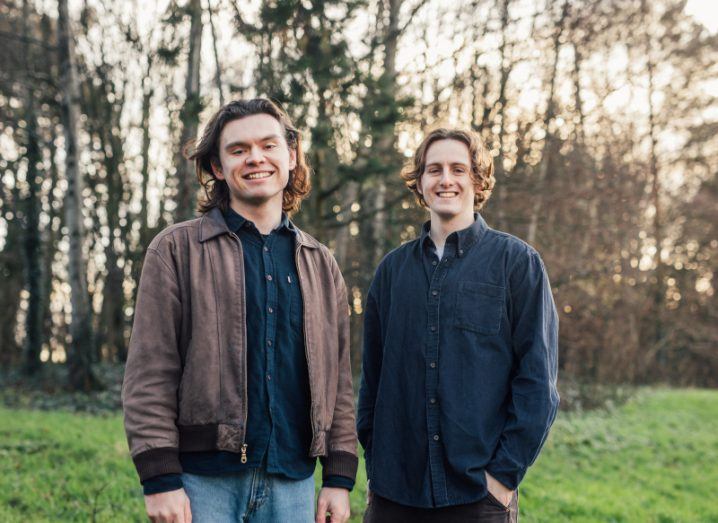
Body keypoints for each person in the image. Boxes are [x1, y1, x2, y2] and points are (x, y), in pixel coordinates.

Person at [122, 98, 357, 523]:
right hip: (200, 486)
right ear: (217, 167)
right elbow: (150, 373)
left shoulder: (320, 263)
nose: (255, 158)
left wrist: (339, 478)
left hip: (294, 483)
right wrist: (160, 480)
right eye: (238, 149)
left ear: (291, 155)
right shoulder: (175, 250)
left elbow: (337, 383)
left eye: (268, 145)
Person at [357, 128, 559, 522]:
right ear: (420, 183)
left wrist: (501, 477)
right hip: (394, 495)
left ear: (477, 180)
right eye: (434, 170)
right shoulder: (392, 271)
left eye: (458, 169)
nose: (445, 179)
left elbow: (538, 383)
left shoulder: (517, 264)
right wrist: (376, 458)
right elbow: (373, 380)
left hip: (478, 497)